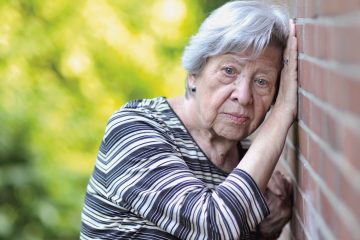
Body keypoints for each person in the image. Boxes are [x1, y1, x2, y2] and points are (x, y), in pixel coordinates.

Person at [80, 1, 297, 239]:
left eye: (262, 81)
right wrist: (283, 113)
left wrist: (263, 230)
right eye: (229, 71)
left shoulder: (249, 167)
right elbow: (214, 225)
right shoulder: (134, 129)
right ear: (194, 75)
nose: (243, 96)